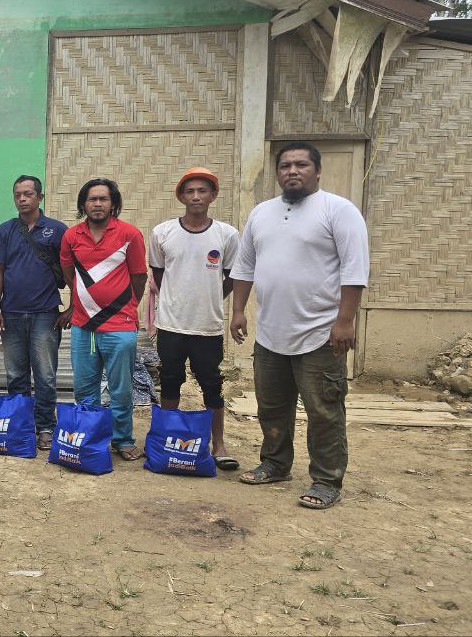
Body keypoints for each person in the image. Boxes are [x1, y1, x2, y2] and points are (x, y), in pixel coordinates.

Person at [230, 142, 369, 510]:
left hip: (321, 334)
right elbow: (244, 267)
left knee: (324, 410)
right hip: (272, 333)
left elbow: (355, 269)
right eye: (285, 165)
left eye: (301, 165)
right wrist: (239, 310)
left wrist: (345, 320)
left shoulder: (338, 210)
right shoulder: (261, 213)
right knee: (271, 407)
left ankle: (326, 480)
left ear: (317, 171)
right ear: (277, 173)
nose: (292, 170)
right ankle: (275, 464)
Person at [149, 168, 240, 469]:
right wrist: (176, 300)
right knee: (171, 381)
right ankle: (166, 439)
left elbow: (232, 277)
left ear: (213, 195)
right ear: (181, 196)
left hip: (207, 325)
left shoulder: (226, 235)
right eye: (190, 191)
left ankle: (219, 444)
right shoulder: (163, 233)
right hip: (171, 324)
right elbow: (160, 274)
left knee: (211, 384)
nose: (196, 196)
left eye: (203, 191)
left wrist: (211, 297)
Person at [59, 178, 148, 460]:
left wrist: (125, 306)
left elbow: (139, 276)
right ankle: (91, 437)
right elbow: (67, 274)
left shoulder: (129, 234)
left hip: (120, 327)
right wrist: (81, 304)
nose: (97, 204)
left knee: (121, 390)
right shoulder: (72, 236)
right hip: (83, 327)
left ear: (113, 204)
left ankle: (122, 439)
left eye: (103, 199)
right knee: (84, 388)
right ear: (83, 204)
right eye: (92, 199)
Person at [0, 175, 69, 449]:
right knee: (15, 375)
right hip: (10, 314)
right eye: (18, 195)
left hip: (46, 314)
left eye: (28, 194)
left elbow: (71, 270)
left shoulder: (57, 230)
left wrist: (74, 308)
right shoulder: (5, 230)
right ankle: (20, 424)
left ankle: (46, 426)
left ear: (40, 197)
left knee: (45, 375)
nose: (22, 199)